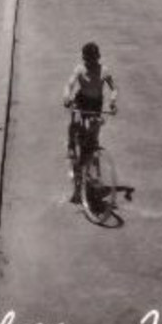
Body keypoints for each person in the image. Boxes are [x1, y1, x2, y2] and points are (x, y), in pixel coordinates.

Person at [63, 41, 118, 203]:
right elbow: (70, 84)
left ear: (98, 58)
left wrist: (113, 102)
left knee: (93, 140)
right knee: (75, 125)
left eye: (93, 60)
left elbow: (114, 88)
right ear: (84, 59)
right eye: (88, 60)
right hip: (81, 102)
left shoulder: (104, 71)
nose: (91, 63)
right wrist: (66, 96)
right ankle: (71, 147)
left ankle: (93, 170)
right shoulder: (80, 69)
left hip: (95, 106)